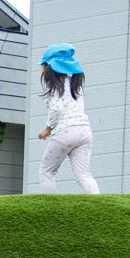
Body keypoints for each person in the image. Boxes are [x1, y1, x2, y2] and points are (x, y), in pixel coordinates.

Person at [35, 44, 100, 194]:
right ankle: (98, 203)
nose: (41, 70)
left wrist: (48, 128)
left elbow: (57, 109)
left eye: (42, 66)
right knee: (83, 174)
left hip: (66, 132)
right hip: (84, 131)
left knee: (46, 171)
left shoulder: (54, 87)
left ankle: (48, 208)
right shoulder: (76, 85)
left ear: (48, 67)